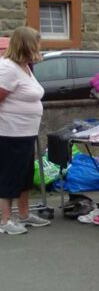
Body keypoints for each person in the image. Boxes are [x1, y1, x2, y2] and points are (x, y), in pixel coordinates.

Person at [0, 26, 50, 235]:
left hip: (26, 132)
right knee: (9, 177)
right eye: (37, 43)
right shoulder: (8, 68)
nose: (39, 47)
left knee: (25, 176)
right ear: (27, 45)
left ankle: (24, 213)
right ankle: (5, 221)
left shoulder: (25, 67)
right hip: (10, 132)